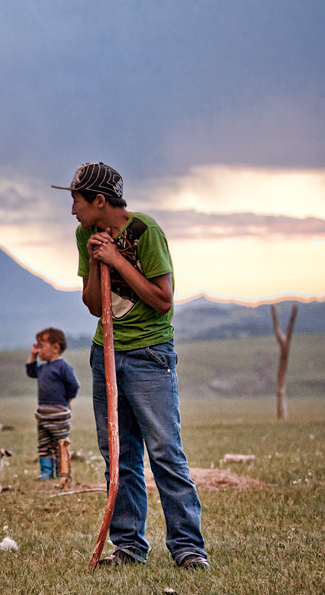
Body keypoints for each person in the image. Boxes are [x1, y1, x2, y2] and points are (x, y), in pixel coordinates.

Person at [53, 162, 209, 570]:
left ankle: (188, 548)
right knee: (118, 455)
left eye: (77, 200)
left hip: (149, 355)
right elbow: (94, 306)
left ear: (98, 200)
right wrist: (95, 262)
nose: (72, 210)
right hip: (106, 351)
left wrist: (117, 261)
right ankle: (129, 547)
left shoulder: (145, 232)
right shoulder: (85, 234)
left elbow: (163, 301)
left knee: (164, 451)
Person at [25, 327, 79, 480]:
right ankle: (47, 472)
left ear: (55, 348)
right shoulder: (43, 368)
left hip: (58, 412)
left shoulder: (63, 367)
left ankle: (62, 471)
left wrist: (67, 401)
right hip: (43, 413)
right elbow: (30, 372)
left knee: (59, 443)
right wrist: (33, 355)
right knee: (44, 444)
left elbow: (73, 385)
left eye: (41, 346)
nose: (38, 350)